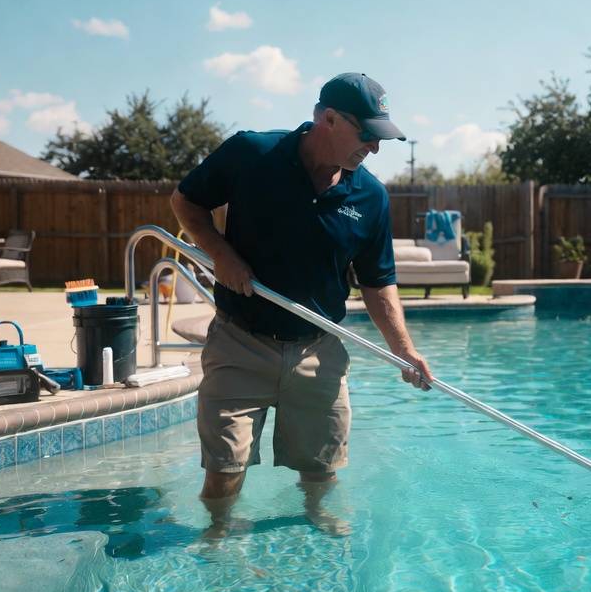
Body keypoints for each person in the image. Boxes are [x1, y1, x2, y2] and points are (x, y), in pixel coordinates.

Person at [170, 72, 432, 536]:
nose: (374, 149)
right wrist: (222, 254)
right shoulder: (252, 154)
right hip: (240, 340)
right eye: (368, 135)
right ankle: (218, 532)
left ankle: (314, 521)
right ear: (328, 118)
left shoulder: (370, 196)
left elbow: (378, 283)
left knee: (321, 466)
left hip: (319, 350)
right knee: (225, 466)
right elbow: (186, 202)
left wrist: (404, 350)